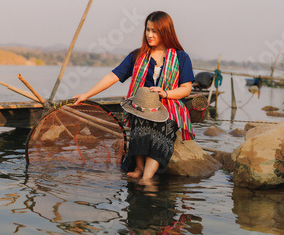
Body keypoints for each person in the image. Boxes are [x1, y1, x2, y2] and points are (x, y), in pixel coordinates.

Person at [73, 11, 195, 183]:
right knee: (140, 120)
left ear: (166, 32)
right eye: (147, 30)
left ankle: (147, 177)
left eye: (155, 31)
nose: (149, 35)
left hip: (169, 107)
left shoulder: (181, 57)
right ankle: (138, 168)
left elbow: (186, 89)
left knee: (161, 127)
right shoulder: (138, 56)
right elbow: (112, 76)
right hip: (142, 106)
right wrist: (87, 94)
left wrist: (165, 93)